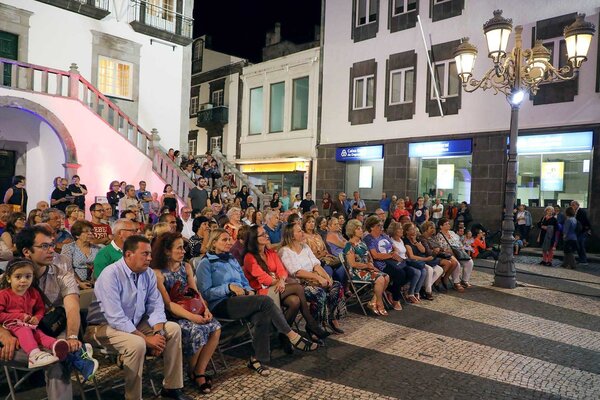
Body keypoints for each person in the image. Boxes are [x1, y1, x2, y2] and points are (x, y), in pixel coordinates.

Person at [197, 229, 317, 376]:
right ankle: (291, 335)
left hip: (241, 299)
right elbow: (206, 293)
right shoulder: (206, 263)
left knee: (262, 316)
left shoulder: (231, 259)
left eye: (229, 239)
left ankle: (256, 359)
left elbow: (244, 281)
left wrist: (249, 290)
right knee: (265, 301)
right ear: (214, 242)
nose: (229, 242)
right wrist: (228, 288)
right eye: (224, 240)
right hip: (221, 304)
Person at [85, 236, 190, 400]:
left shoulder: (148, 273)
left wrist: (158, 334)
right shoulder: (110, 274)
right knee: (137, 343)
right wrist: (148, 340)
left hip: (134, 323)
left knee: (173, 329)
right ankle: (133, 397)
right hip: (101, 327)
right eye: (145, 254)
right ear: (128, 254)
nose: (150, 258)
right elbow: (116, 318)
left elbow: (155, 305)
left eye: (150, 254)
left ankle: (171, 387)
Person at [14, 225, 88, 397]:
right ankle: (78, 357)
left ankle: (69, 353)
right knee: (59, 354)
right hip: (18, 339)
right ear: (26, 251)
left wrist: (72, 336)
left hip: (50, 331)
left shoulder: (62, 273)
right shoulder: (9, 279)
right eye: (44, 246)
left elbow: (72, 307)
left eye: (52, 245)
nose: (51, 250)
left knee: (58, 357)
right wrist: (4, 335)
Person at [0, 258, 98, 376]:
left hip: (31, 325)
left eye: (28, 277)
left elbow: (40, 308)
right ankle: (35, 355)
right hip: (13, 326)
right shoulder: (4, 294)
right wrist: (20, 316)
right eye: (18, 277)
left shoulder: (33, 293)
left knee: (43, 337)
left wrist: (37, 317)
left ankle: (70, 351)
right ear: (9, 278)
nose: (23, 280)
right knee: (25, 331)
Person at [151, 233, 221, 394]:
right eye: (179, 248)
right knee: (196, 330)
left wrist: (205, 310)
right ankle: (192, 370)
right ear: (167, 251)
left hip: (192, 308)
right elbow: (168, 304)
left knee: (215, 327)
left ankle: (199, 370)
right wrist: (192, 317)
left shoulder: (186, 267)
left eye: (183, 248)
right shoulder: (158, 273)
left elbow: (195, 292)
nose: (183, 251)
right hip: (172, 315)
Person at [243, 225, 329, 344]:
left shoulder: (270, 253)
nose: (267, 235)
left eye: (266, 233)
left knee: (295, 301)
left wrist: (282, 280)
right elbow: (263, 278)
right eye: (263, 234)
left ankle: (284, 335)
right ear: (254, 239)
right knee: (298, 287)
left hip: (278, 287)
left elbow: (282, 270)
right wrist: (279, 281)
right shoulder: (249, 257)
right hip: (262, 292)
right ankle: (311, 323)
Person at [278, 224, 346, 334]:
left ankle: (330, 317)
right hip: (299, 285)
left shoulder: (305, 247)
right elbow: (297, 272)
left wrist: (327, 277)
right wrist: (317, 277)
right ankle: (314, 326)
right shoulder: (285, 251)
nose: (302, 232)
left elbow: (316, 265)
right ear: (291, 236)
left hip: (314, 279)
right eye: (299, 231)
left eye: (301, 230)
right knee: (319, 293)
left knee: (336, 286)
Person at [362, 216, 412, 311]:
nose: (381, 227)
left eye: (381, 225)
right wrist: (391, 255)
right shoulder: (369, 239)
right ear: (371, 227)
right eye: (378, 226)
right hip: (381, 263)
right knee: (400, 273)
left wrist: (395, 253)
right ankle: (396, 299)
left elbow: (394, 247)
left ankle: (390, 289)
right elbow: (375, 255)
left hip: (392, 260)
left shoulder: (383, 235)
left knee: (411, 272)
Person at [343, 219, 389, 315]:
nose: (361, 230)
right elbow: (353, 264)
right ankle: (380, 303)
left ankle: (373, 301)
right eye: (358, 229)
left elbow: (369, 258)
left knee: (386, 277)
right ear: (352, 231)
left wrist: (371, 265)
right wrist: (367, 266)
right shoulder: (349, 245)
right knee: (380, 279)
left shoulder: (362, 243)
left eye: (361, 228)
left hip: (367, 269)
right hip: (356, 272)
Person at [402, 223, 441, 301]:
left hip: (420, 260)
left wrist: (415, 241)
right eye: (411, 229)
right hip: (414, 261)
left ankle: (420, 289)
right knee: (427, 270)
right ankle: (425, 291)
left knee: (439, 269)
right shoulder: (405, 241)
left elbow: (423, 250)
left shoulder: (416, 239)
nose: (414, 231)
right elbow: (411, 256)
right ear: (406, 231)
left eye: (414, 229)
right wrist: (425, 259)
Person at [419, 221, 458, 292]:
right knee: (447, 263)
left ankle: (444, 278)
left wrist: (440, 250)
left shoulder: (432, 237)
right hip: (430, 257)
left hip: (437, 255)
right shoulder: (423, 239)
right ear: (425, 229)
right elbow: (428, 252)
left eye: (434, 228)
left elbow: (439, 246)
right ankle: (437, 282)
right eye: (431, 228)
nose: (433, 230)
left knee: (454, 262)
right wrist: (435, 251)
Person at [61, 220, 101, 289]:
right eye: (86, 231)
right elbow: (67, 268)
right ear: (77, 235)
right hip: (73, 285)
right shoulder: (69, 248)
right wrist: (79, 283)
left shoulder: (98, 248)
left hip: (95, 284)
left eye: (91, 231)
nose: (90, 233)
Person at [436, 218, 473, 290]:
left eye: (448, 223)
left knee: (469, 262)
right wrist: (449, 251)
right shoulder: (439, 235)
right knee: (457, 264)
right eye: (446, 224)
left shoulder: (452, 233)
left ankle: (465, 280)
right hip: (448, 254)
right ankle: (456, 282)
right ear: (441, 226)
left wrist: (461, 248)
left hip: (458, 252)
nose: (448, 225)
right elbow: (441, 247)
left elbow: (459, 242)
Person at [571, 200, 591, 266]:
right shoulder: (575, 212)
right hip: (579, 231)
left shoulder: (581, 211)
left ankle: (584, 260)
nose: (572, 206)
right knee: (579, 245)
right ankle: (581, 259)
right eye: (571, 205)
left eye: (573, 205)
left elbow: (582, 222)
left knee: (581, 245)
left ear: (577, 205)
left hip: (583, 231)